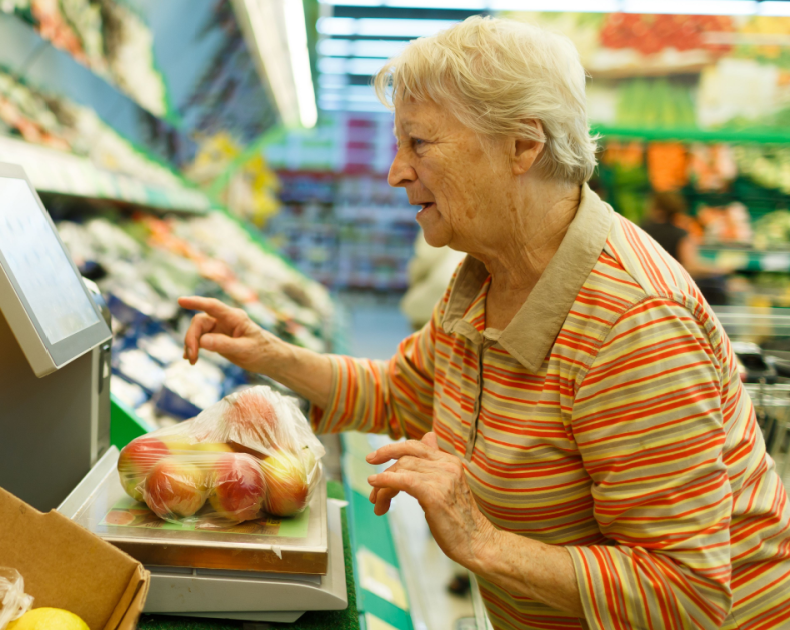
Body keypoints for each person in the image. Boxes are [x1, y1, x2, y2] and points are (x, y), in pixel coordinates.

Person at [178, 17, 790, 630]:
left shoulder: (630, 325)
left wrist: (479, 540)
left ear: (523, 146)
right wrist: (271, 355)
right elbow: (404, 391)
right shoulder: (483, 278)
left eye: (419, 144)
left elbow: (688, 596)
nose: (395, 172)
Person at [640, 191, 729, 304]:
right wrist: (719, 269)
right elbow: (690, 265)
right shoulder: (680, 234)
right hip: (673, 292)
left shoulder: (641, 230)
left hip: (647, 288)